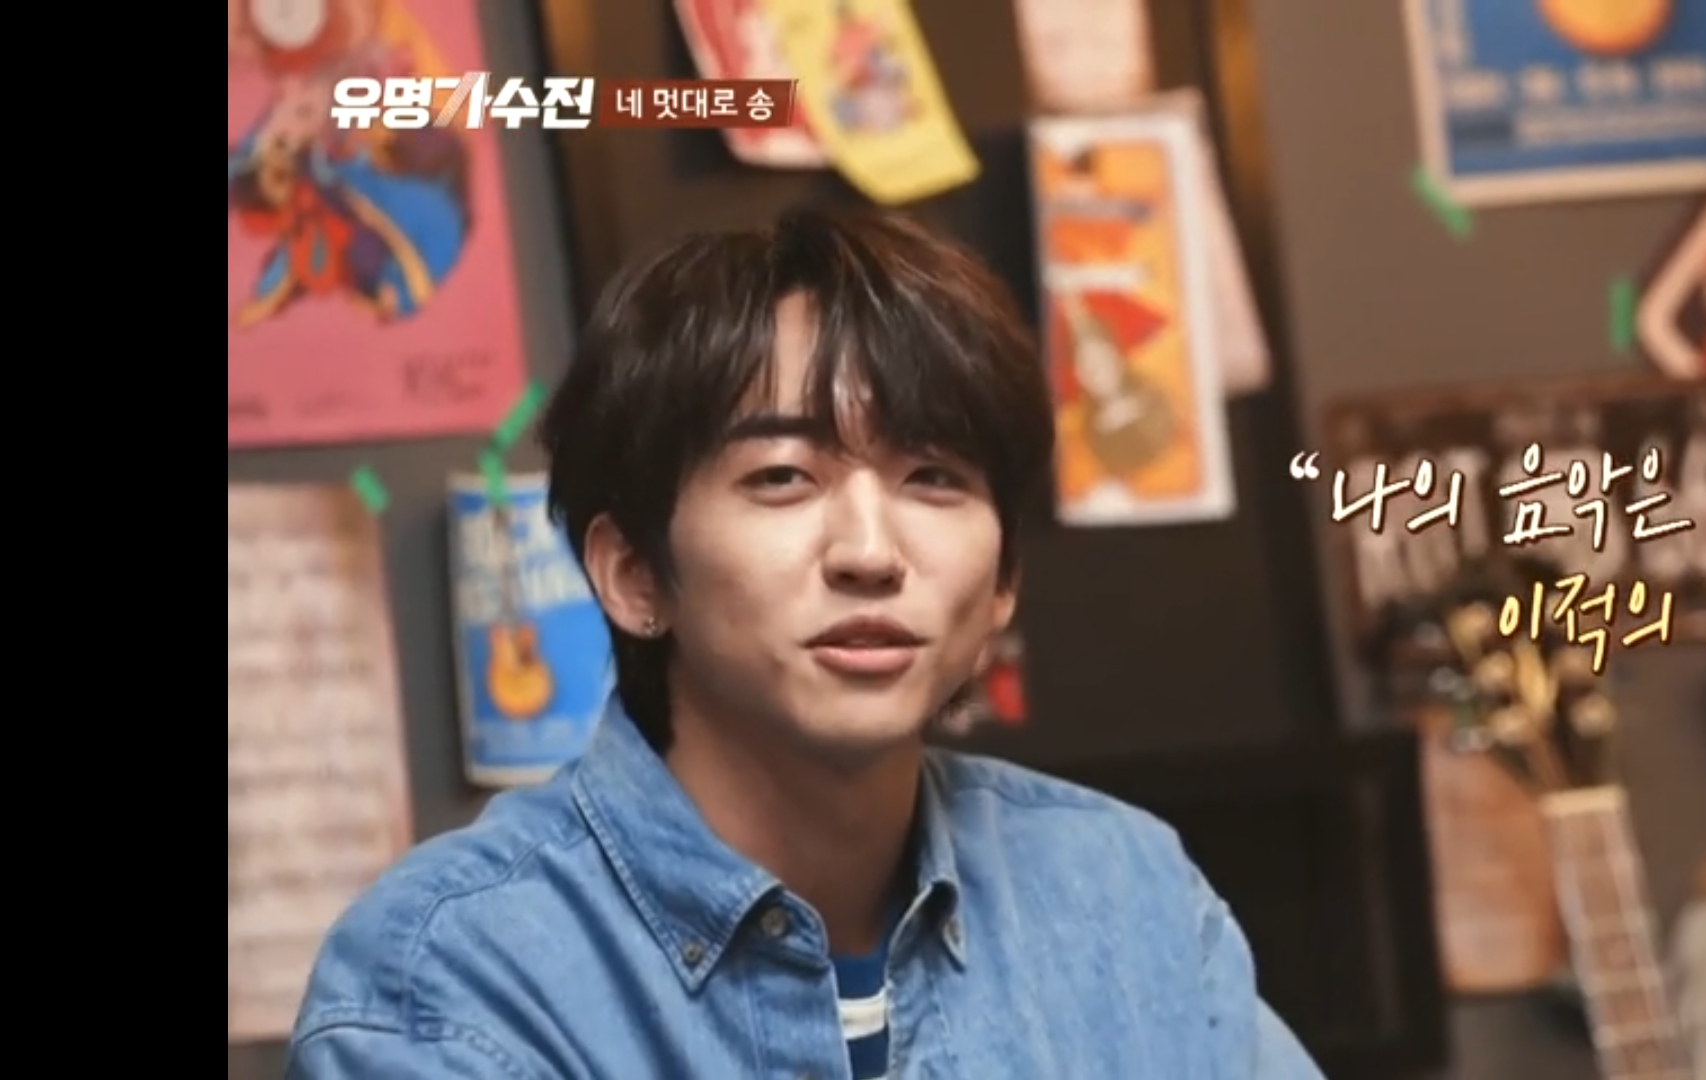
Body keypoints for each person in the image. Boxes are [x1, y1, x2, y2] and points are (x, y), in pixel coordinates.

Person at [285, 208, 1325, 1080]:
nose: (870, 552)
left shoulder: (1124, 896)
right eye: (782, 477)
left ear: (1003, 581)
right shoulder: (456, 979)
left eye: (934, 478)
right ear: (634, 574)